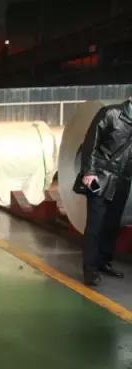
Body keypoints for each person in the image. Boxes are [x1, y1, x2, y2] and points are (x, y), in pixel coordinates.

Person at [79, 97, 132, 286]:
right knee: (95, 225)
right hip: (100, 178)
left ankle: (103, 262)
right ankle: (90, 270)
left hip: (122, 181)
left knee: (111, 224)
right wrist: (89, 171)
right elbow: (90, 143)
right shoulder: (110, 114)